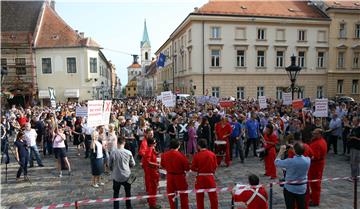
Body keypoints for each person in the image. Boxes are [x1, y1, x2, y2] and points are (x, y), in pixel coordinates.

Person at [275, 143, 311, 209]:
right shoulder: (308, 160)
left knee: (290, 206)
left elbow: (276, 162)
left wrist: (280, 152)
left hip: (290, 188)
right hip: (302, 188)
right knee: (301, 206)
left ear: (294, 151)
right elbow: (302, 156)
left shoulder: (290, 161)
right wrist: (296, 149)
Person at [161, 139, 190, 209]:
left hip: (170, 176)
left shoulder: (164, 155)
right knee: (184, 196)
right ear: (178, 146)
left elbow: (162, 165)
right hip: (180, 177)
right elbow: (187, 168)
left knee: (171, 195)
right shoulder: (181, 156)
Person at [191, 138, 218, 209]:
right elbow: (215, 166)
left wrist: (199, 169)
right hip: (210, 177)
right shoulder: (212, 154)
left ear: (199, 146)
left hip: (200, 178)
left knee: (199, 197)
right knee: (213, 197)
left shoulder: (197, 155)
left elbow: (193, 168)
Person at [110, 136, 135, 209]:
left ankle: (116, 207)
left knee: (116, 193)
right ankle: (128, 206)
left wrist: (113, 169)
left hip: (116, 176)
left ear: (117, 143)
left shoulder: (113, 152)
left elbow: (109, 165)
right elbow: (133, 164)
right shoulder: (128, 152)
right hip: (127, 176)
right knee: (128, 192)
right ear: (124, 143)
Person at [308, 128, 327, 207]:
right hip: (316, 165)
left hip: (316, 165)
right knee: (313, 183)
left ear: (320, 134)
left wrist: (306, 156)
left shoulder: (319, 143)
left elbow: (315, 156)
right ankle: (312, 197)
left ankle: (315, 201)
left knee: (315, 183)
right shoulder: (319, 141)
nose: (313, 134)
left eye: (315, 133)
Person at [142, 137, 161, 209]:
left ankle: (153, 203)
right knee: (153, 189)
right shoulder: (149, 149)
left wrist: (156, 152)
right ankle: (152, 205)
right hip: (152, 173)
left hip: (153, 172)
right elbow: (148, 162)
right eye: (155, 143)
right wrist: (158, 165)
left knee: (153, 189)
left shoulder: (151, 149)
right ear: (152, 144)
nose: (156, 144)